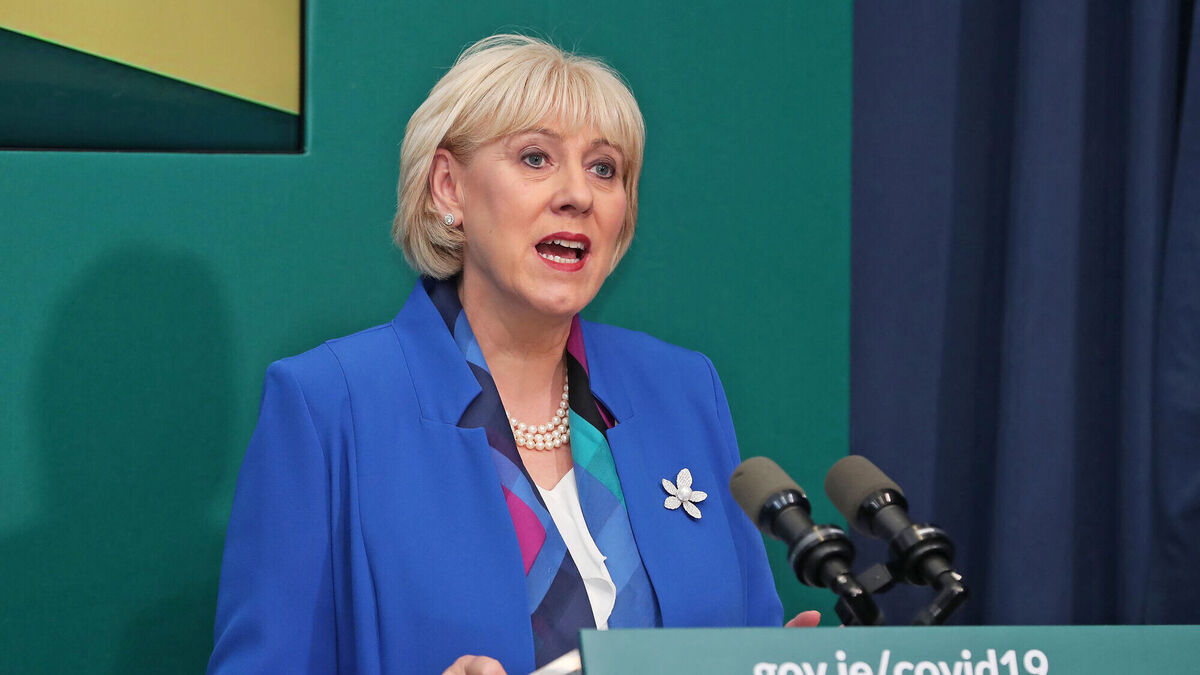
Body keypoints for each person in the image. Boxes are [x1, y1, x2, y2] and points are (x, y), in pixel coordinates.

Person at [207, 34, 814, 675]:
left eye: (604, 169)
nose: (578, 195)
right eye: (536, 158)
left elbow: (748, 631)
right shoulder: (330, 404)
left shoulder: (682, 388)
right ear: (449, 188)